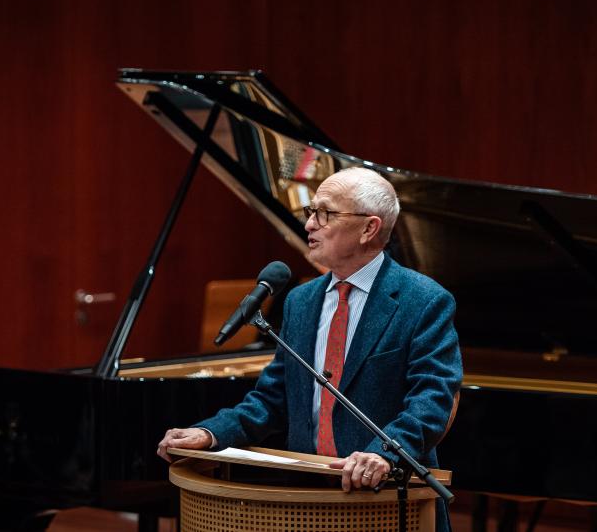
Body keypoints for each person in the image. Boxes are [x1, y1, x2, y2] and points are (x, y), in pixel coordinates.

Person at [157, 167, 462, 530]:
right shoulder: (300, 301)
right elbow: (272, 399)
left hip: (386, 498)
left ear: (369, 228)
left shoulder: (424, 300)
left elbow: (433, 398)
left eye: (325, 214)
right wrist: (211, 433)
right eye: (310, 212)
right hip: (305, 499)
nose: (309, 225)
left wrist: (384, 454)